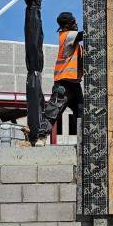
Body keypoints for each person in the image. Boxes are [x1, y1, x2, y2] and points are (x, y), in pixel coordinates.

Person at [39, 11, 82, 141]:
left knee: (82, 113)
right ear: (68, 24)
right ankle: (38, 138)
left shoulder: (72, 40)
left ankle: (85, 140)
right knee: (53, 112)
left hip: (74, 84)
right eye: (74, 21)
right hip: (63, 84)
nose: (76, 23)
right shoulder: (68, 35)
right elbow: (83, 35)